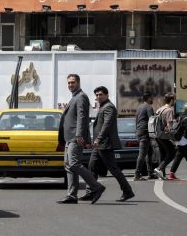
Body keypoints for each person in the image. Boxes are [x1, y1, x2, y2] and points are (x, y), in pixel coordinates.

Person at [57, 74, 105, 204]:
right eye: (68, 83)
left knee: (73, 163)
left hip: (75, 137)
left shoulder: (81, 97)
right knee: (68, 166)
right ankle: (72, 195)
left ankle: (96, 187)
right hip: (69, 137)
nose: (70, 85)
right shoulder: (74, 97)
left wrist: (79, 135)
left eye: (72, 82)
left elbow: (82, 117)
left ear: (78, 82)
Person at [82, 87, 135, 202]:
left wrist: (99, 139)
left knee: (113, 169)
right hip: (100, 144)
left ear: (107, 95)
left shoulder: (109, 107)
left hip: (105, 143)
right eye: (96, 95)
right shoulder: (103, 106)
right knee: (92, 166)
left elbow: (107, 125)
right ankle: (91, 191)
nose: (98, 97)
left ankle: (127, 191)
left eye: (100, 94)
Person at [153, 93, 176, 180]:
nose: (175, 101)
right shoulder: (169, 110)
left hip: (157, 135)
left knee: (163, 153)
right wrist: (172, 138)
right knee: (172, 153)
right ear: (171, 100)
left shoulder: (160, 109)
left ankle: (161, 174)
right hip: (164, 135)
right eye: (174, 99)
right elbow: (169, 125)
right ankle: (159, 169)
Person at [134, 92, 154, 181]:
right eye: (151, 98)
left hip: (139, 131)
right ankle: (137, 174)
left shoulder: (139, 107)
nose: (152, 99)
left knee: (149, 152)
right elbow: (152, 120)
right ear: (148, 98)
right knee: (142, 154)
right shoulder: (149, 107)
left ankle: (150, 173)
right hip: (145, 132)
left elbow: (136, 120)